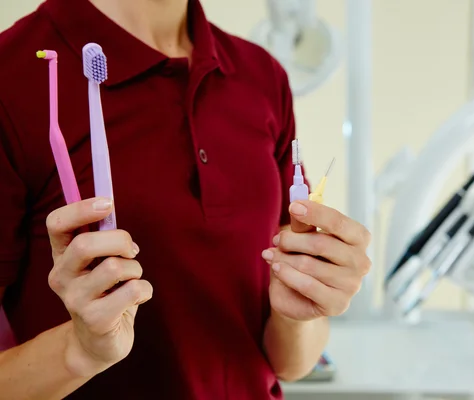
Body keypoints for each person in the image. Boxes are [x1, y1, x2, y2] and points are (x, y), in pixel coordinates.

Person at [0, 0, 372, 399]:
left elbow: (289, 363)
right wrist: (80, 350)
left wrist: (299, 310)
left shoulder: (261, 75)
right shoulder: (14, 76)